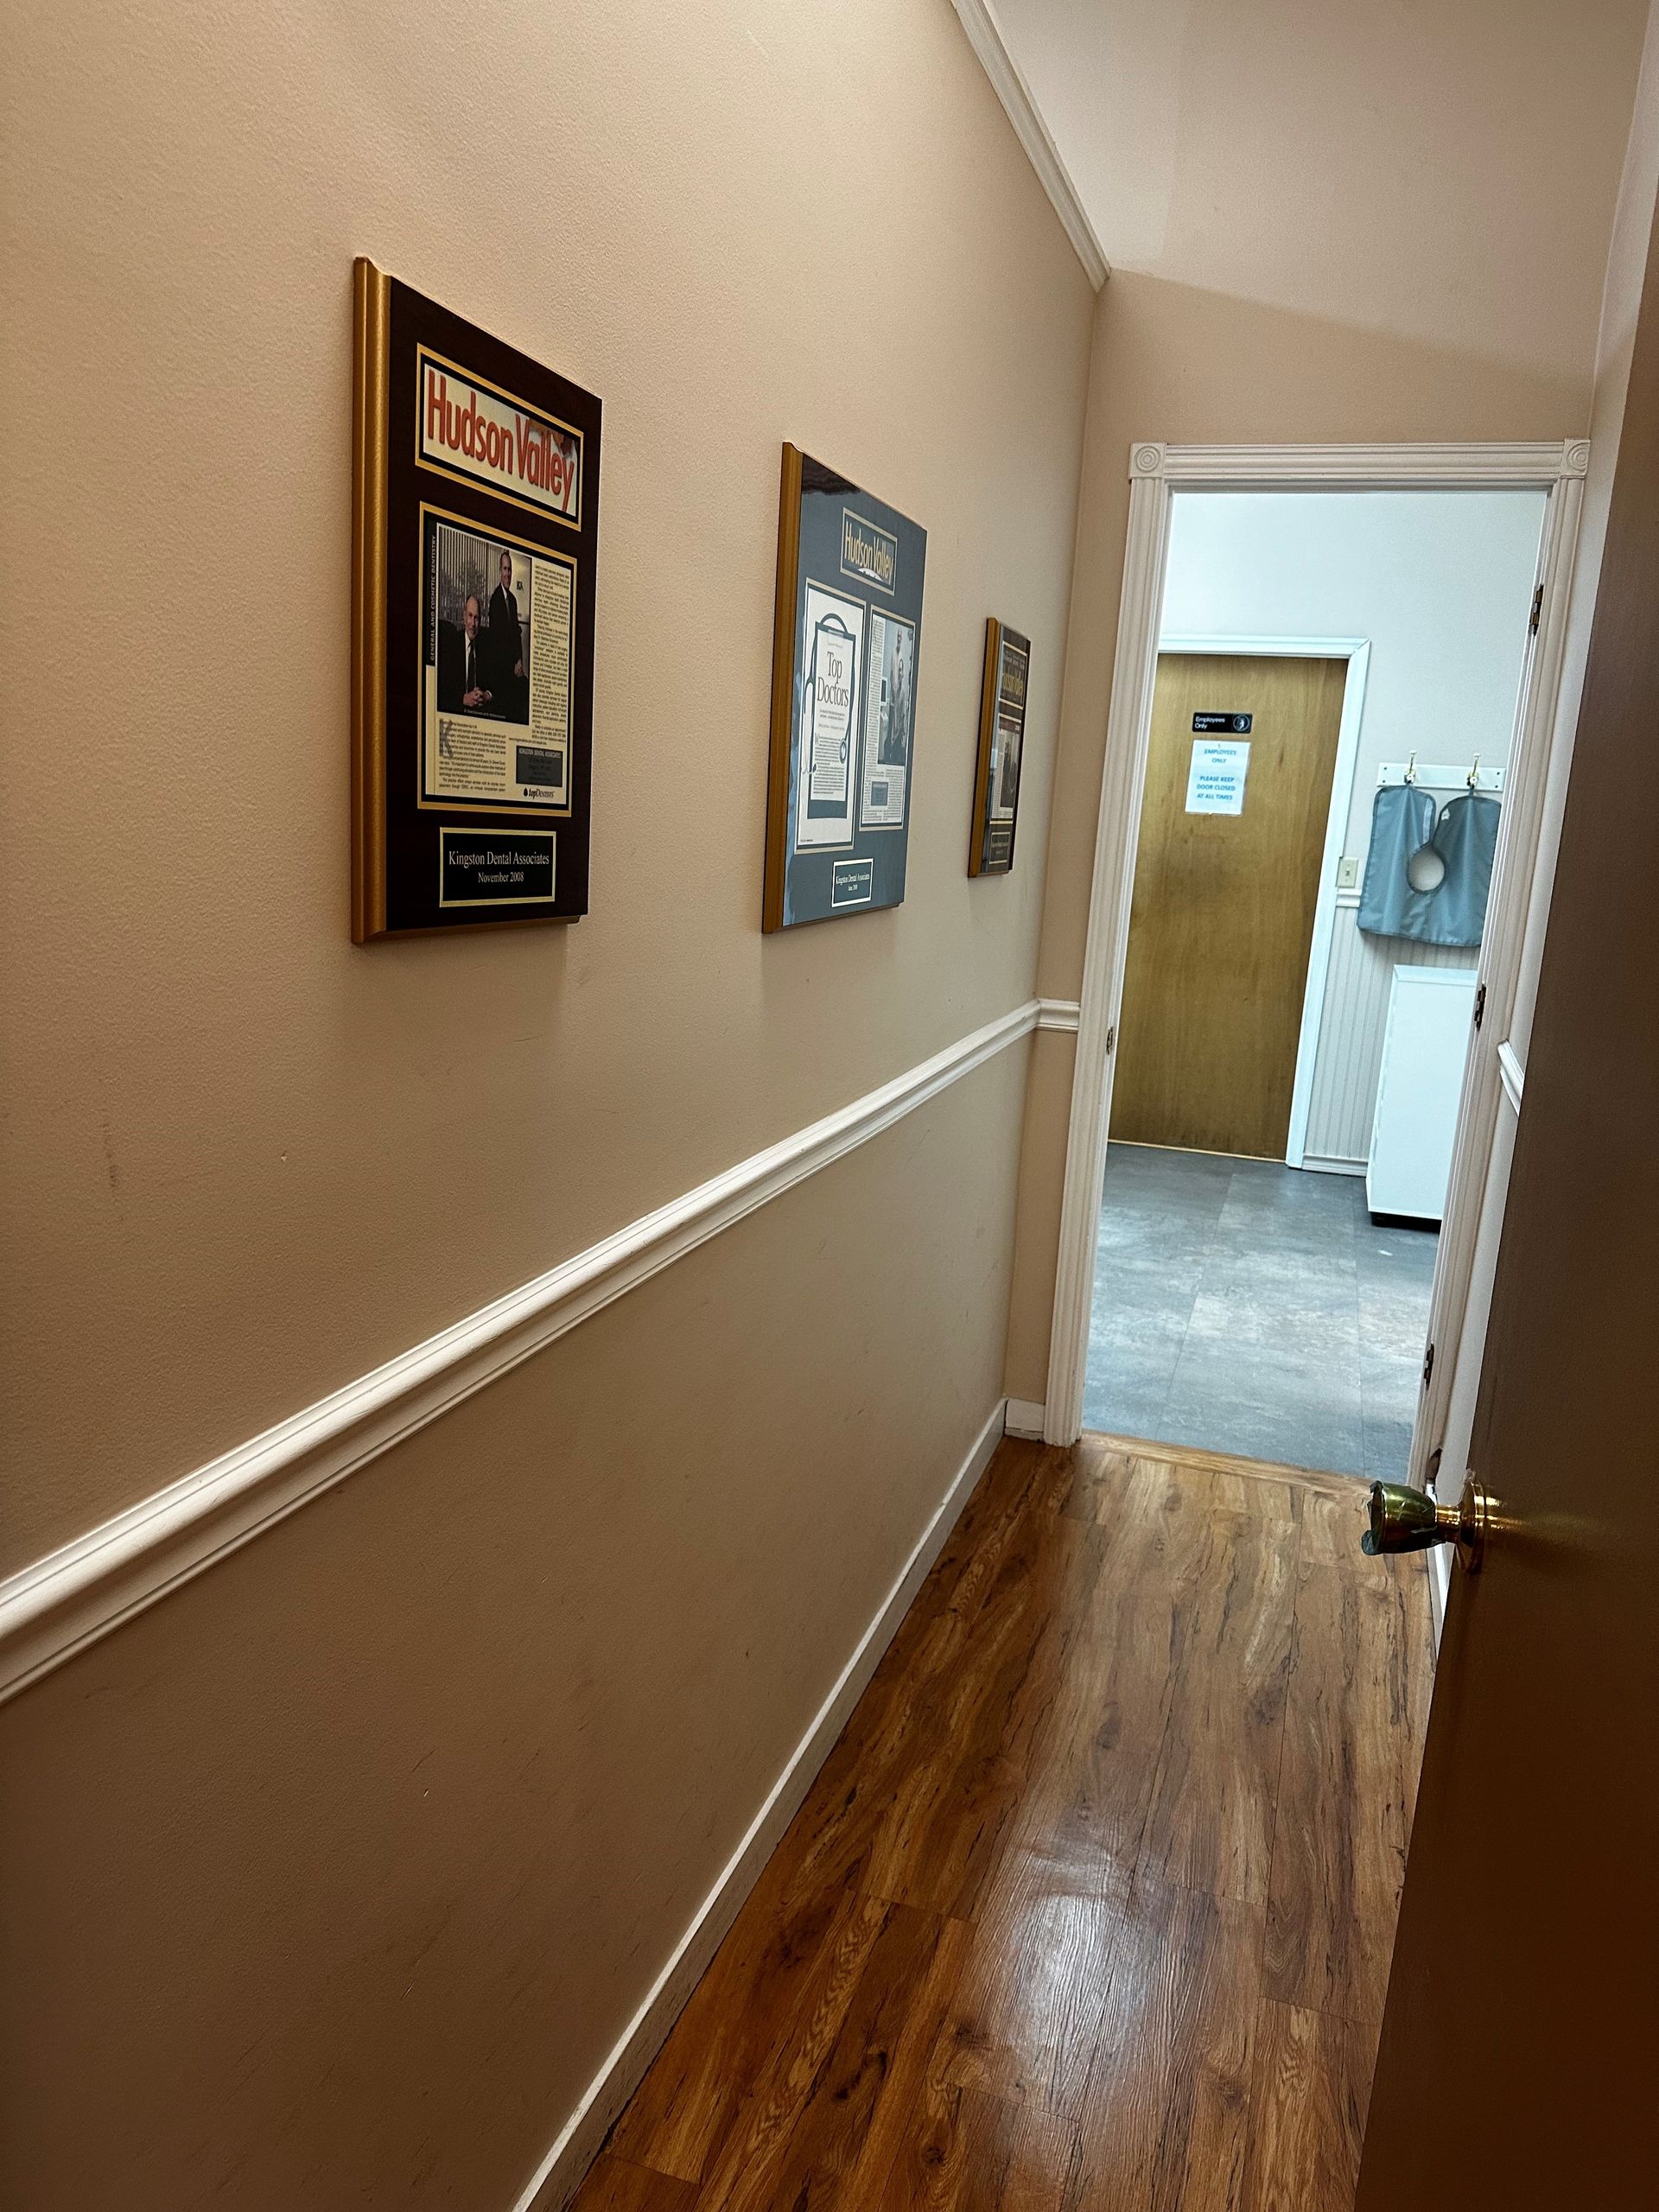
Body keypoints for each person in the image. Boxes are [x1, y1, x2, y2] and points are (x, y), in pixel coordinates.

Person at [486, 550, 528, 720]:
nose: (508, 574)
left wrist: (519, 661)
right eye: (505, 569)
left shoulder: (513, 600)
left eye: (510, 569)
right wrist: (512, 667)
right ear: (499, 571)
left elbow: (516, 634)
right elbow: (497, 642)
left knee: (525, 689)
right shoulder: (495, 600)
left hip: (514, 665)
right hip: (501, 668)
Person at [437, 594, 491, 714]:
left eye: (476, 618)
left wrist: (486, 696)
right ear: (464, 616)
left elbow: (494, 683)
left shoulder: (486, 647)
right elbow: (441, 689)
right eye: (470, 616)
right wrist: (463, 699)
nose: (473, 623)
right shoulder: (451, 645)